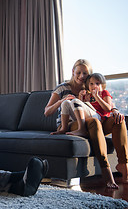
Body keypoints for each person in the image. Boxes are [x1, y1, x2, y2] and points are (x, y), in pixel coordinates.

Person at [44, 59, 128, 189]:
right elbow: (47, 112)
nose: (81, 76)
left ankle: (123, 164)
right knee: (93, 121)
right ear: (73, 72)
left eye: (85, 73)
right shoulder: (63, 88)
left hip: (94, 118)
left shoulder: (89, 86)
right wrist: (62, 101)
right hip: (72, 123)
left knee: (118, 120)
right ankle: (106, 171)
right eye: (78, 72)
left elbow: (104, 103)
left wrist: (115, 110)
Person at [54, 73, 113, 138]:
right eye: (91, 84)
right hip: (87, 117)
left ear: (102, 85)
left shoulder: (104, 92)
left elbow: (108, 109)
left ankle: (81, 129)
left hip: (100, 117)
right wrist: (81, 97)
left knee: (75, 101)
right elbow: (81, 110)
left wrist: (97, 97)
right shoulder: (88, 95)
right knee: (66, 103)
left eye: (97, 84)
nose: (94, 86)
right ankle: (63, 128)